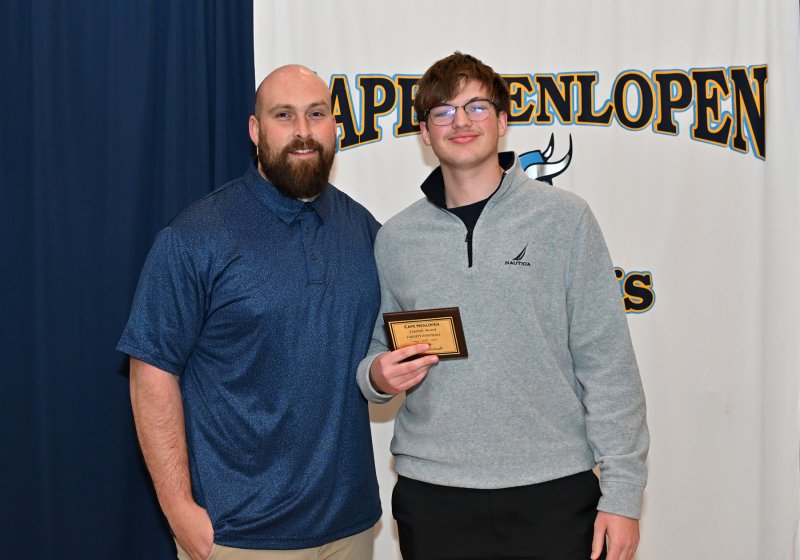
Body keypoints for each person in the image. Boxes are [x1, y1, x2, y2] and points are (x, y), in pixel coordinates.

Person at [356, 52, 649, 560]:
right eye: (443, 112)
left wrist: (622, 497)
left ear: (504, 121)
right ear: (425, 134)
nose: (461, 122)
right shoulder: (396, 238)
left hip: (555, 490)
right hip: (434, 496)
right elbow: (377, 352)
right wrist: (377, 377)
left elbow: (608, 364)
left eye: (476, 107)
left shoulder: (565, 219)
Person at [118, 65, 382, 560]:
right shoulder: (195, 237)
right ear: (256, 131)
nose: (303, 131)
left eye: (316, 114)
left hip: (350, 531)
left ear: (335, 127)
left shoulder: (364, 230)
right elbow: (150, 372)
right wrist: (178, 508)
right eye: (284, 115)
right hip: (237, 537)